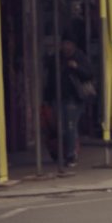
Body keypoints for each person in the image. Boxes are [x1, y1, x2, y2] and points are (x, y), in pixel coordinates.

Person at [43, 35, 95, 166]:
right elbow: (50, 76)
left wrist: (76, 67)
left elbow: (89, 74)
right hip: (58, 96)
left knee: (70, 125)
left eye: (68, 43)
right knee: (60, 127)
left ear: (73, 45)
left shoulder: (79, 57)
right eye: (63, 43)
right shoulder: (57, 58)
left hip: (73, 97)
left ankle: (71, 154)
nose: (65, 46)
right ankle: (63, 152)